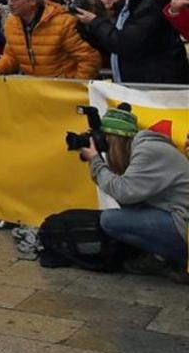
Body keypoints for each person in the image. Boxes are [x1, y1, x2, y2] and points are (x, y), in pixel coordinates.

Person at [78, 107, 189, 280]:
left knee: (110, 220)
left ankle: (178, 259)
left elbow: (123, 191)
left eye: (106, 141)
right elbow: (128, 194)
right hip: (177, 214)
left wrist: (95, 160)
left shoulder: (148, 150)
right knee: (129, 206)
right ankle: (164, 256)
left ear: (114, 139)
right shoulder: (142, 147)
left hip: (185, 222)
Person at [75, 0, 189, 85]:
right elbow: (108, 44)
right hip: (137, 85)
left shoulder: (155, 4)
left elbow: (126, 43)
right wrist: (91, 21)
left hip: (156, 87)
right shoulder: (127, 5)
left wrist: (95, 21)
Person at [0, 0, 99, 80]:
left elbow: (89, 58)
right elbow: (12, 56)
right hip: (37, 92)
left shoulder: (63, 22)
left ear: (32, 1)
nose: (9, 3)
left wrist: (75, 85)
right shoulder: (11, 24)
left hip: (64, 92)